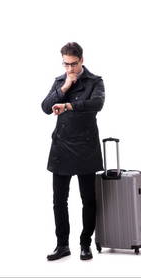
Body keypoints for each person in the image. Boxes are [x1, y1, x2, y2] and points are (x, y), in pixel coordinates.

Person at [41, 42, 105, 261]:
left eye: (73, 64)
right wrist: (65, 88)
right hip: (61, 147)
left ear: (82, 60)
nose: (69, 69)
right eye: (66, 64)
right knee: (59, 200)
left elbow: (97, 103)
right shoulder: (60, 81)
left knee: (88, 199)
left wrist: (68, 106)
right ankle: (62, 245)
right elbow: (44, 107)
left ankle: (85, 244)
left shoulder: (95, 81)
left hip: (86, 147)